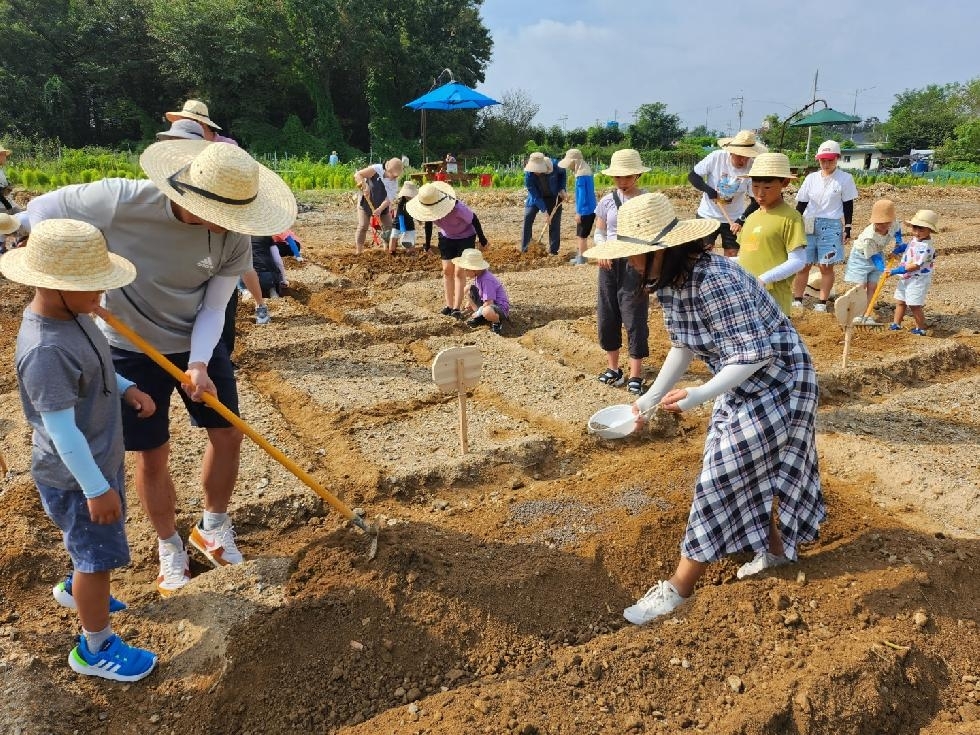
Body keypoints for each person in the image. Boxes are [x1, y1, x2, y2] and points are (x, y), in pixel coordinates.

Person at [27, 141, 297, 596]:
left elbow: (215, 307)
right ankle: (169, 545)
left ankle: (212, 527)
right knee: (153, 453)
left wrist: (198, 362)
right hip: (129, 347)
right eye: (223, 215)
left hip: (196, 342)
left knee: (227, 432)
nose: (232, 227)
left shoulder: (232, 235)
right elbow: (40, 210)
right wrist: (74, 281)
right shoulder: (120, 201)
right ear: (191, 194)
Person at [583, 192, 824, 625]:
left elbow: (756, 354)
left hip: (781, 383)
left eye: (638, 256)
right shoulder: (671, 285)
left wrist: (699, 395)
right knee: (733, 467)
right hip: (741, 384)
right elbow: (684, 345)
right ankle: (774, 553)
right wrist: (648, 401)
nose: (633, 265)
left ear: (665, 251)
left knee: (721, 476)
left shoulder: (717, 280)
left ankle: (678, 587)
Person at [2, 218, 159, 680]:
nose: (102, 297)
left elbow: (98, 373)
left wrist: (128, 388)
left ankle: (78, 586)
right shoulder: (46, 349)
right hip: (77, 475)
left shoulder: (79, 318)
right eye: (93, 288)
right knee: (97, 557)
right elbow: (60, 431)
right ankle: (94, 647)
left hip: (97, 462)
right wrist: (95, 489)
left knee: (90, 550)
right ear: (55, 287)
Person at [156, 113, 271, 326]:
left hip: (226, 215)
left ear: (204, 125)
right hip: (191, 232)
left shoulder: (226, 148)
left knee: (237, 268)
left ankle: (259, 304)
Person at [591, 148, 650, 396]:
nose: (622, 181)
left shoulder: (647, 201)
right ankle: (614, 369)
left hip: (634, 263)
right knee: (607, 315)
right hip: (609, 264)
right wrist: (602, 249)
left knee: (634, 317)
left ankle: (636, 374)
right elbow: (599, 231)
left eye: (626, 177)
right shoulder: (606, 201)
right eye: (617, 177)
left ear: (637, 175)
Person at [735, 152, 808, 315]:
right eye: (755, 186)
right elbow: (747, 256)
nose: (760, 193)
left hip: (774, 304)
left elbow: (798, 260)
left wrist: (764, 279)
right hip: (748, 301)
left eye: (767, 187)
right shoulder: (751, 217)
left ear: (785, 183)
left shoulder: (790, 218)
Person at [791, 140, 858, 313]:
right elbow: (802, 204)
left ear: (837, 158)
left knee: (825, 265)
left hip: (831, 224)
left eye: (830, 160)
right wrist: (794, 224)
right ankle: (797, 298)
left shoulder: (845, 179)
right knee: (803, 263)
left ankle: (822, 301)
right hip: (808, 222)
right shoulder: (811, 178)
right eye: (823, 160)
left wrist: (848, 227)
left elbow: (848, 204)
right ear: (818, 160)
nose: (826, 164)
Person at [407, 181, 489, 318]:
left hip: (465, 237)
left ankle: (456, 308)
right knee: (447, 270)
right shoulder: (430, 209)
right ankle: (449, 305)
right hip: (447, 237)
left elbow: (474, 219)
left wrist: (482, 239)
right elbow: (428, 224)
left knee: (458, 271)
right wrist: (427, 244)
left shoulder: (457, 208)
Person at [689, 129, 767, 257]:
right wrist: (709, 190)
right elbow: (693, 176)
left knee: (732, 253)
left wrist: (741, 220)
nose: (743, 161)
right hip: (707, 215)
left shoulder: (752, 168)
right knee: (703, 252)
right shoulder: (716, 157)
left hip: (733, 218)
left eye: (747, 157)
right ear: (731, 152)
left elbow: (755, 201)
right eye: (740, 156)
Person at [843, 199, 902, 324]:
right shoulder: (869, 237)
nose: (882, 226)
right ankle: (856, 314)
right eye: (879, 223)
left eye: (885, 223)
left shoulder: (894, 224)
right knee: (860, 286)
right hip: (861, 257)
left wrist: (898, 242)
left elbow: (898, 232)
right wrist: (882, 269)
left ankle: (867, 313)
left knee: (872, 286)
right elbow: (874, 256)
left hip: (877, 253)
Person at [888, 209, 939, 336]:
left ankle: (920, 328)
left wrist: (895, 271)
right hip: (906, 277)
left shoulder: (927, 247)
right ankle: (896, 324)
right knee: (900, 301)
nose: (917, 232)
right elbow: (910, 246)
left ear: (930, 230)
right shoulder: (916, 239)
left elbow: (915, 266)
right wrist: (899, 249)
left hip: (918, 279)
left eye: (921, 229)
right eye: (915, 228)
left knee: (914, 305)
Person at [452, 248, 511, 335]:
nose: (465, 272)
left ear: (474, 269)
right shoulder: (479, 276)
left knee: (486, 311)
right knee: (467, 289)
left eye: (466, 269)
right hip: (488, 304)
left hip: (499, 308)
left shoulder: (486, 279)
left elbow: (489, 302)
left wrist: (478, 312)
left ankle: (496, 322)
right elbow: (478, 293)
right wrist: (470, 303)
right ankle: (479, 317)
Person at [353, 157, 403, 255]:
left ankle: (386, 249)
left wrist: (380, 209)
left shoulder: (394, 183)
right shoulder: (376, 169)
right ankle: (358, 251)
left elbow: (389, 199)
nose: (394, 177)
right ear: (388, 170)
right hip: (366, 202)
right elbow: (358, 174)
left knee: (388, 227)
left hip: (382, 206)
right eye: (393, 175)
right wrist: (364, 185)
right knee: (363, 226)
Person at [520, 151, 566, 255]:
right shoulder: (529, 175)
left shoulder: (555, 165)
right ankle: (525, 249)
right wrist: (545, 211)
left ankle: (553, 250)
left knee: (554, 221)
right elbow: (535, 196)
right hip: (536, 197)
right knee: (528, 216)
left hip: (553, 196)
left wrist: (562, 188)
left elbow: (563, 174)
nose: (535, 172)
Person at [557, 148, 596, 265]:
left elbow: (582, 196)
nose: (569, 166)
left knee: (581, 236)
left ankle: (582, 258)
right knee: (581, 235)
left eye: (570, 163)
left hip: (585, 210)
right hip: (591, 208)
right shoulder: (587, 172)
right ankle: (581, 256)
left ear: (575, 162)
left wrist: (579, 212)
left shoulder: (581, 176)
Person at [165, 99, 238, 145]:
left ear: (202, 123)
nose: (184, 125)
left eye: (187, 121)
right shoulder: (186, 145)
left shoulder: (227, 145)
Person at [389, 181, 418, 255]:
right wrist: (402, 227)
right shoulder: (401, 203)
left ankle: (410, 252)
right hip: (398, 223)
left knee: (410, 241)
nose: (409, 196)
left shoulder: (414, 203)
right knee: (393, 237)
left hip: (409, 223)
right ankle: (392, 252)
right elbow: (400, 215)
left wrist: (419, 219)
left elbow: (416, 212)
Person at [0, 145, 20, 214]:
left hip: (7, 203)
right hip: (3, 207)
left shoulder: (1, 170)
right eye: (4, 155)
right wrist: (8, 207)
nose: (6, 158)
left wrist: (8, 185)